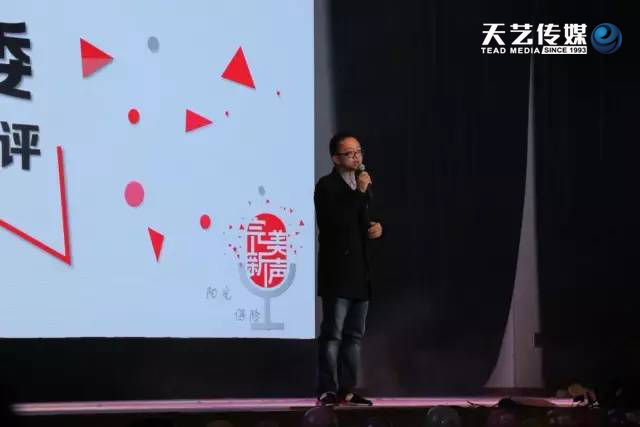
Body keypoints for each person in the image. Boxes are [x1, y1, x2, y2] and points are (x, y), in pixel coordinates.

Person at [314, 132, 383, 406]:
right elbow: (337, 223)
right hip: (337, 272)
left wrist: (376, 228)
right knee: (333, 335)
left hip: (360, 272)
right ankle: (327, 390)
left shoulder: (361, 184)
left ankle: (348, 390)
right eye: (349, 153)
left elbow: (360, 221)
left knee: (354, 336)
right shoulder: (327, 186)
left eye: (358, 151)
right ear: (335, 158)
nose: (356, 157)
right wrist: (360, 193)